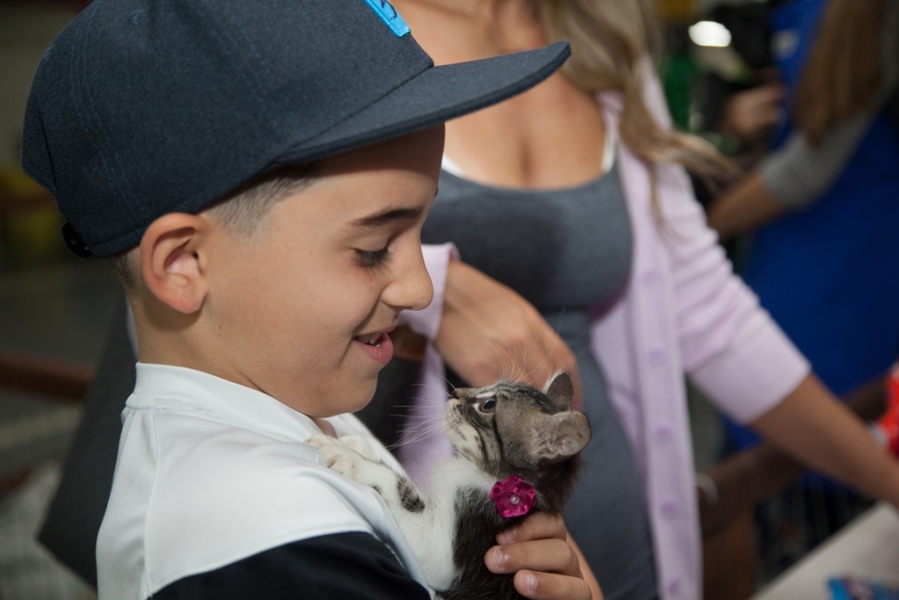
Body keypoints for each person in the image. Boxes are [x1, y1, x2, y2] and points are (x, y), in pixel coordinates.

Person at [20, 0, 600, 598]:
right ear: (185, 263)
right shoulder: (278, 552)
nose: (422, 289)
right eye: (373, 247)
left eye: (421, 233)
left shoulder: (291, 402)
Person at [368, 1, 899, 599]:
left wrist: (886, 478)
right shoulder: (353, 23)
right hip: (444, 555)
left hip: (622, 535)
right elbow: (267, 240)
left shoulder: (600, 33)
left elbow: (709, 311)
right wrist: (439, 289)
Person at [705, 0, 899, 573]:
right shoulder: (796, 14)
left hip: (843, 300)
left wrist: (694, 235)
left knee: (832, 544)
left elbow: (805, 171)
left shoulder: (869, 17)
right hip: (777, 288)